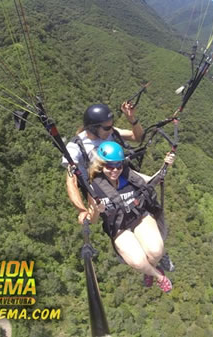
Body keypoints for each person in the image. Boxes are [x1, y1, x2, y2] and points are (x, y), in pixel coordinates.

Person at [86, 141, 175, 293]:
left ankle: (150, 269)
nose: (115, 171)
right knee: (138, 261)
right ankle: (157, 275)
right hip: (119, 226)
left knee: (156, 251)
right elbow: (92, 220)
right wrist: (96, 209)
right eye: (109, 166)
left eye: (118, 166)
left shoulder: (128, 175)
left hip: (138, 216)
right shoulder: (94, 188)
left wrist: (166, 165)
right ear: (101, 165)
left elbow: (153, 180)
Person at [62, 102, 143, 224]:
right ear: (93, 128)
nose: (110, 130)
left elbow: (137, 137)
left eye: (112, 126)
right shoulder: (75, 147)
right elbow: (71, 181)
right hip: (101, 191)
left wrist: (131, 118)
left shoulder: (110, 133)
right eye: (106, 127)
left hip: (120, 179)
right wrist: (82, 209)